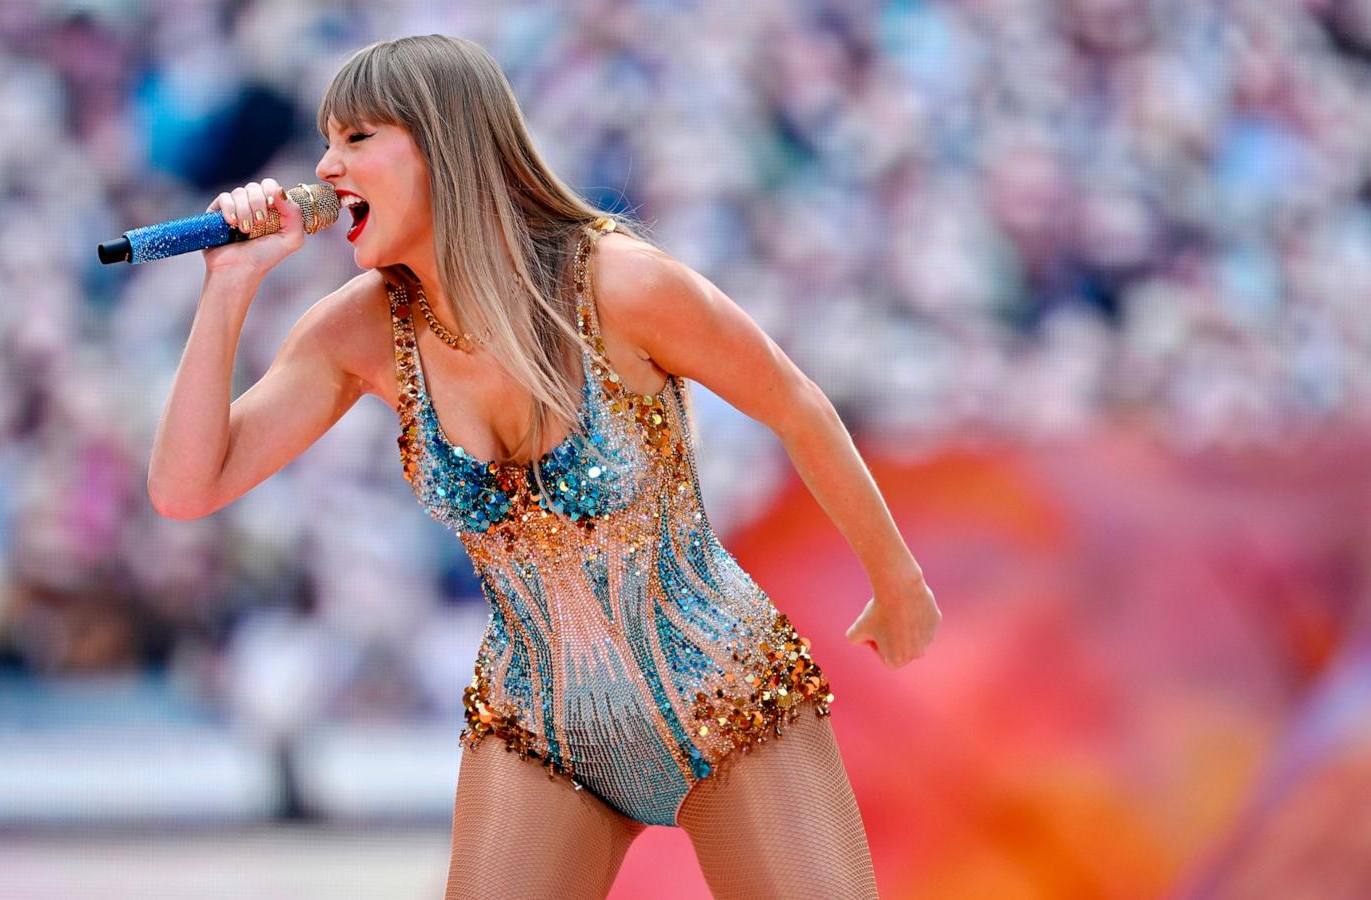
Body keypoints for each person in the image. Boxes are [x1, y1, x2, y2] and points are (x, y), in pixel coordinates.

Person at [148, 33, 940, 900]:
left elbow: (795, 403)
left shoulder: (622, 284)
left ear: (448, 143)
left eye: (358, 138)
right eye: (327, 141)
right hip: (539, 728)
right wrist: (228, 284)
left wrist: (896, 579)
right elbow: (189, 489)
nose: (327, 168)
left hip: (730, 703)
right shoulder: (359, 331)